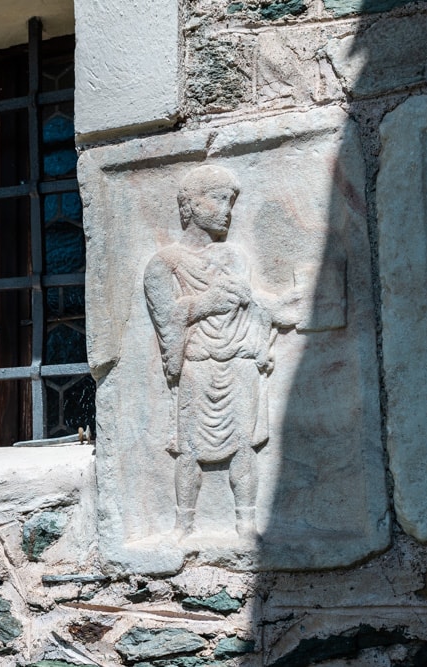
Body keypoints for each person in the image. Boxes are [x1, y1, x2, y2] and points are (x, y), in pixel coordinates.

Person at [143, 165, 295, 541]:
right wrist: (205, 303)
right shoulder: (164, 264)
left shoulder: (236, 257)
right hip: (197, 364)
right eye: (218, 199)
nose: (227, 210)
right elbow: (168, 317)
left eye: (230, 202)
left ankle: (246, 523)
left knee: (244, 445)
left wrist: (277, 308)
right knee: (189, 449)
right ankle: (184, 524)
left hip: (239, 361)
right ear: (190, 204)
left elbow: (250, 303)